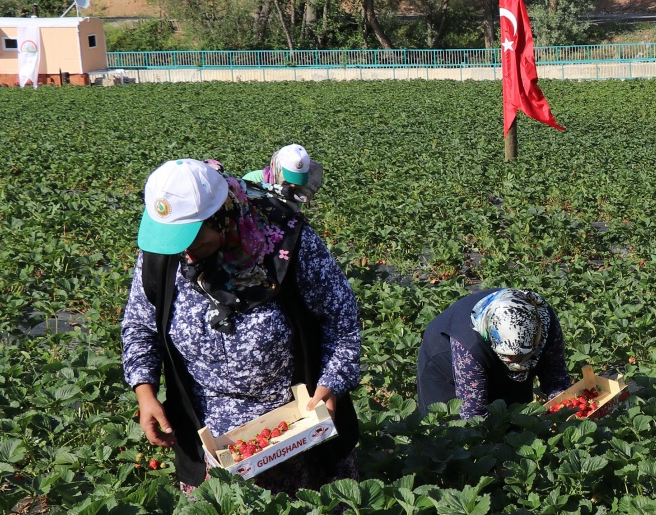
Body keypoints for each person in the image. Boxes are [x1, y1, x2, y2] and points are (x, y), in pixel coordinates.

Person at [122, 158, 362, 494]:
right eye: (175, 240)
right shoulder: (163, 254)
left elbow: (341, 318)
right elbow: (139, 325)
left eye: (191, 237)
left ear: (221, 217)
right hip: (209, 438)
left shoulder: (286, 241)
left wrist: (332, 385)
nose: (185, 252)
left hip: (297, 425)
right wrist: (144, 392)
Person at [417, 288, 574, 418]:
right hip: (446, 365)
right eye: (509, 356)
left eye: (521, 355)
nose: (515, 361)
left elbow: (555, 374)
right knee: (449, 431)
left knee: (516, 416)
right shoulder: (469, 348)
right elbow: (473, 414)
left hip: (499, 351)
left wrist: (562, 407)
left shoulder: (543, 320)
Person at [243, 143, 323, 212]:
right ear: (277, 168)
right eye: (289, 180)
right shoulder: (252, 180)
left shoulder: (296, 192)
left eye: (297, 181)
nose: (293, 185)